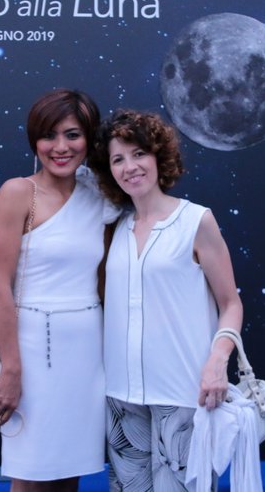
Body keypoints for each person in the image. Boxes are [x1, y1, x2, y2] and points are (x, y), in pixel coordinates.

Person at [89, 109, 245, 491]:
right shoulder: (112, 229)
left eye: (139, 153)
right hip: (122, 397)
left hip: (184, 394)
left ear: (159, 156)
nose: (130, 167)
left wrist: (217, 362)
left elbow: (231, 303)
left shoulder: (196, 221)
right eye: (118, 159)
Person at [0, 89, 117, 491]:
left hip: (88, 353)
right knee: (31, 473)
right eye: (49, 135)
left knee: (68, 472)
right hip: (31, 352)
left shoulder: (101, 196)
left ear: (90, 139)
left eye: (73, 135)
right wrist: (11, 369)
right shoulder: (17, 193)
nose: (61, 147)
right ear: (34, 140)